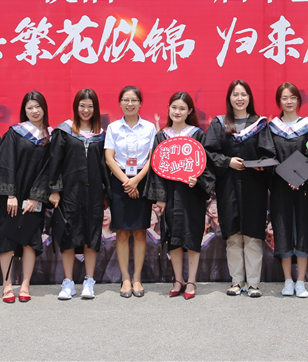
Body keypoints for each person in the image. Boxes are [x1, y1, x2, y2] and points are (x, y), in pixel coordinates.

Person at [205, 80, 270, 298]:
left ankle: (253, 283)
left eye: (243, 94)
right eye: (235, 94)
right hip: (228, 186)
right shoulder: (219, 124)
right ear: (229, 98)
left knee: (252, 235)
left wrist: (262, 164)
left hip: (254, 186)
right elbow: (209, 153)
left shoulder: (260, 124)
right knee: (233, 235)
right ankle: (236, 281)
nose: (239, 98)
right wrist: (228, 162)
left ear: (249, 98)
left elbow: (269, 153)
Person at [146, 92, 214, 300]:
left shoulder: (198, 135)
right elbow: (156, 168)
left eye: (182, 108)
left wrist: (198, 180)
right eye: (174, 107)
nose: (177, 112)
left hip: (192, 194)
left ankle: (191, 280)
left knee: (192, 236)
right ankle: (178, 280)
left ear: (190, 111)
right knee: (173, 237)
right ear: (168, 108)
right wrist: (160, 197)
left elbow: (206, 165)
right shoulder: (161, 136)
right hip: (170, 194)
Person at [0, 91, 53, 303]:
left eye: (38, 106)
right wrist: (10, 194)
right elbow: (4, 163)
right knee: (7, 237)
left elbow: (49, 170)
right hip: (12, 196)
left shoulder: (51, 136)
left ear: (44, 108)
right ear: (24, 111)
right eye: (29, 108)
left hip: (35, 198)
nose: (34, 111)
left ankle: (25, 285)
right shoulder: (15, 133)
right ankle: (7, 285)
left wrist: (36, 197)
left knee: (30, 239)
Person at [47, 88, 109, 300]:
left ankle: (89, 281)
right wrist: (55, 190)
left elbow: (105, 166)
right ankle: (68, 282)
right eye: (82, 105)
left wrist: (106, 193)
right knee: (68, 236)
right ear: (76, 107)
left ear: (95, 108)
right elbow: (54, 161)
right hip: (69, 193)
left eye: (90, 106)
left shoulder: (101, 135)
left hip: (94, 193)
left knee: (91, 236)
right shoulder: (64, 131)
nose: (86, 110)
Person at [261, 82, 308, 298]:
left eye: (293, 97)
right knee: (283, 230)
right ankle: (287, 280)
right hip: (280, 187)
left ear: (298, 100)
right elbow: (269, 156)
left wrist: (300, 177)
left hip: (304, 188)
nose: (289, 101)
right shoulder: (271, 128)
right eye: (285, 98)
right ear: (279, 101)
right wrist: (287, 176)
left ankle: (300, 281)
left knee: (304, 230)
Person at [104, 86, 157, 298]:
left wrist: (136, 181)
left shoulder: (150, 128)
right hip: (119, 181)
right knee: (122, 232)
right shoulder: (113, 128)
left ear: (140, 103)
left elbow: (152, 158)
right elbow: (109, 158)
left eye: (134, 100)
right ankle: (125, 278)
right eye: (126, 100)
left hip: (141, 180)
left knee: (140, 231)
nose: (130, 104)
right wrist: (127, 182)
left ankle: (137, 278)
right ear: (120, 103)